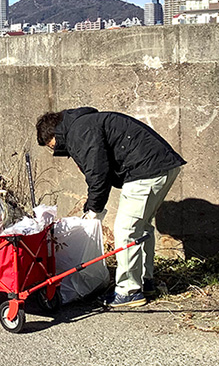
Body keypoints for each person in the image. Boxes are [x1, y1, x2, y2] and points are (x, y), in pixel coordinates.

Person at [36, 107, 186, 308]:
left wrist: (93, 209)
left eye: (49, 145)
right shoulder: (85, 123)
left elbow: (98, 173)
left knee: (126, 230)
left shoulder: (79, 131)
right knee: (142, 227)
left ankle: (128, 291)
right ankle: (144, 281)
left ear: (52, 134)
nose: (53, 150)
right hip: (162, 166)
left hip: (146, 171)